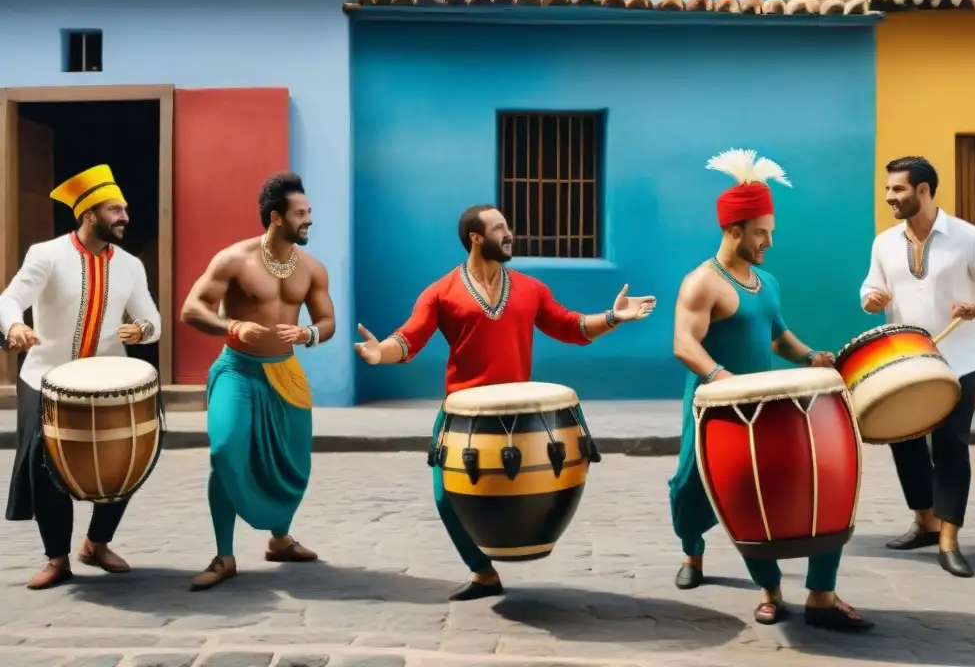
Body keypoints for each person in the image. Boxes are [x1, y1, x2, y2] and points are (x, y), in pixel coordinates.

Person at [354, 203, 656, 602]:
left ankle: (520, 547)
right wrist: (380, 353)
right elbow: (409, 338)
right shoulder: (441, 292)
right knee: (446, 498)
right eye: (499, 228)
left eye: (507, 226)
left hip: (519, 416)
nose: (509, 233)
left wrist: (613, 317)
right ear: (476, 238)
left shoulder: (531, 289)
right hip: (461, 413)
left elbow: (572, 327)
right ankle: (483, 573)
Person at [671, 148, 872, 631]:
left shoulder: (767, 282)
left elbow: (779, 337)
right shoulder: (702, 283)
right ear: (733, 230)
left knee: (781, 488)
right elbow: (684, 344)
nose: (769, 242)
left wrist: (810, 357)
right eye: (761, 233)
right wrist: (724, 381)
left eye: (771, 232)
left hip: (766, 407)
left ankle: (791, 593)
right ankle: (693, 550)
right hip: (715, 408)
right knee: (690, 494)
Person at [0, 164, 161, 590]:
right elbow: (10, 299)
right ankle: (57, 558)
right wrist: (14, 326)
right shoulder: (46, 254)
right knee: (44, 465)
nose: (125, 217)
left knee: (125, 460)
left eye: (125, 209)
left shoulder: (130, 265)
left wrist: (142, 329)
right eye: (115, 210)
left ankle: (97, 542)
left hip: (110, 382)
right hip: (45, 376)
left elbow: (152, 319)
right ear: (89, 214)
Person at [860, 156, 975, 578]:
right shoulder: (884, 243)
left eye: (898, 189)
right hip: (904, 361)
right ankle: (925, 522)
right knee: (904, 441)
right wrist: (871, 298)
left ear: (924, 190)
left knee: (950, 446)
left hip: (958, 362)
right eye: (888, 189)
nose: (890, 197)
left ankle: (949, 539)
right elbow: (871, 286)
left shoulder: (968, 237)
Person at [179, 171, 336, 591]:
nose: (308, 220)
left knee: (291, 462)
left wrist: (307, 333)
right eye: (300, 214)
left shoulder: (312, 269)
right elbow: (192, 309)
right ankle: (224, 556)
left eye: (309, 212)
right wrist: (231, 326)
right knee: (226, 450)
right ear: (276, 217)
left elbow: (327, 321)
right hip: (238, 370)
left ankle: (280, 540)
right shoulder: (234, 259)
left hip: (285, 373)